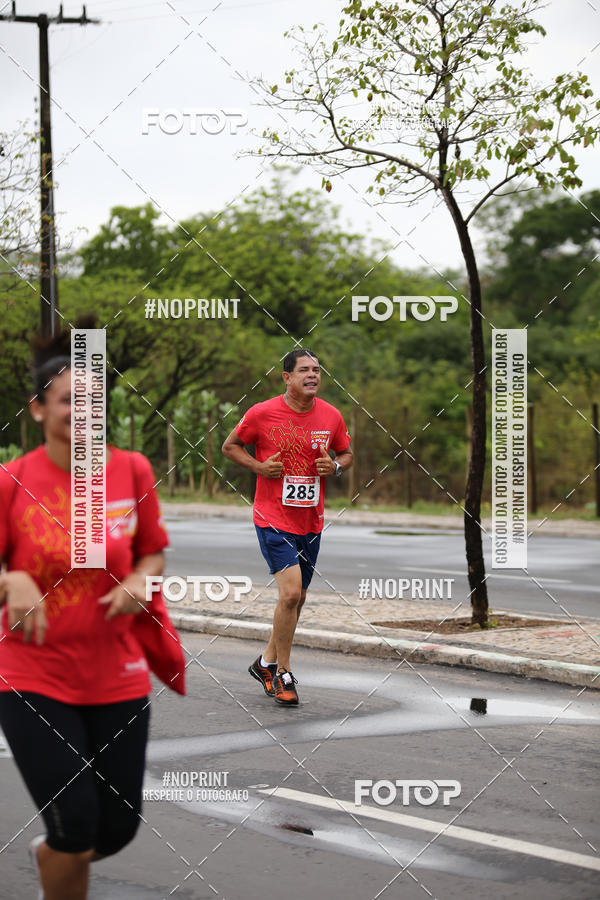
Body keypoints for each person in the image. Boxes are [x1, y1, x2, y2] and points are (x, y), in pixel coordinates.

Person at [0, 325, 171, 900]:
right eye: (70, 399)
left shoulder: (131, 470)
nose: (83, 412)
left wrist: (143, 580)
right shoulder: (11, 482)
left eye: (93, 400)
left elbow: (152, 550)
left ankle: (49, 857)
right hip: (33, 677)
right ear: (38, 408)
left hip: (116, 674)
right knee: (75, 822)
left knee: (116, 829)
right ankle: (61, 854)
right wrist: (12, 578)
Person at [222, 348, 353, 706]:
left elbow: (346, 453)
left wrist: (336, 468)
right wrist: (259, 467)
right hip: (272, 516)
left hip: (310, 519)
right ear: (287, 378)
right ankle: (283, 673)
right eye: (305, 370)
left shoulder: (331, 415)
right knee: (291, 594)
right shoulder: (262, 413)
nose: (313, 375)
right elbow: (229, 446)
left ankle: (265, 663)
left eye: (317, 370)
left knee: (297, 598)